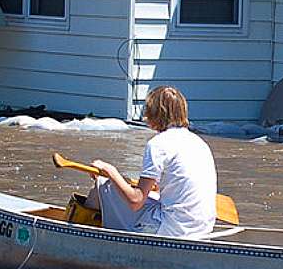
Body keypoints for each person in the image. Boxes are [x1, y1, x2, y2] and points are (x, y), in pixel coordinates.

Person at [89, 86, 218, 238]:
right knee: (150, 194)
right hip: (203, 228)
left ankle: (83, 234)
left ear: (154, 113)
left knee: (102, 186)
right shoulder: (199, 143)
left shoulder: (158, 144)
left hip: (172, 229)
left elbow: (136, 201)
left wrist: (110, 172)